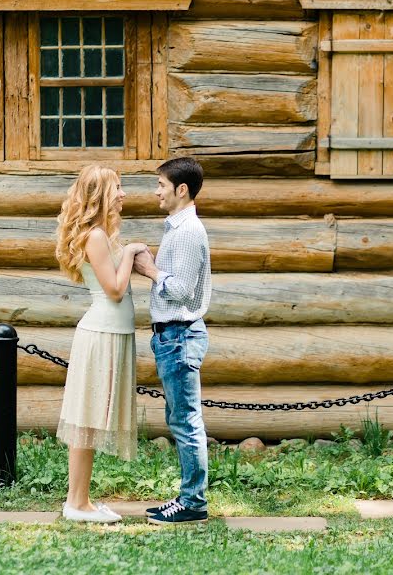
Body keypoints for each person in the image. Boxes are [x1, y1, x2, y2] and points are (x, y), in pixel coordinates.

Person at [54, 164, 148, 524]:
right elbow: (114, 289)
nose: (124, 194)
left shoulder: (102, 236)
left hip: (113, 334)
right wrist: (129, 253)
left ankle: (83, 501)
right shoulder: (95, 236)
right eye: (118, 188)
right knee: (85, 420)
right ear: (101, 196)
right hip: (101, 334)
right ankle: (75, 503)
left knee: (91, 422)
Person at [133, 157, 212, 525]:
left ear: (181, 190)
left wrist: (149, 269)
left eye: (161, 185)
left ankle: (193, 503)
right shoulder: (177, 229)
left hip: (179, 335)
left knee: (185, 421)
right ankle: (187, 497)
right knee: (181, 418)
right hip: (173, 337)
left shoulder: (186, 232)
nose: (156, 191)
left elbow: (181, 290)